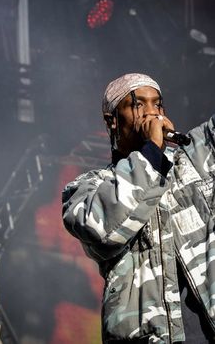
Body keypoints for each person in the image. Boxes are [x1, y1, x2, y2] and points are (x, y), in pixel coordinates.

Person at [62, 73, 215, 344]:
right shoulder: (88, 188)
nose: (152, 114)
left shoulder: (192, 157)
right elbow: (102, 231)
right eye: (138, 104)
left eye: (157, 104)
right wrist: (151, 151)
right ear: (112, 121)